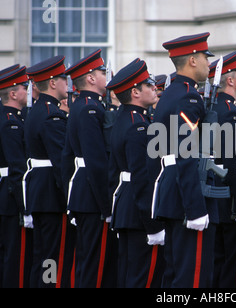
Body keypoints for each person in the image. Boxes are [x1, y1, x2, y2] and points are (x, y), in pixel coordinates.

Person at [150, 32, 217, 288]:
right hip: (186, 194)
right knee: (193, 278)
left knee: (176, 274)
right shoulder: (188, 97)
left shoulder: (171, 93)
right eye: (204, 57)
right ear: (192, 60)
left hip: (171, 190)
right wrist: (196, 208)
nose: (207, 64)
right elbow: (186, 154)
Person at [107, 59, 165, 288]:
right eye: (149, 84)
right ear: (135, 92)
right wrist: (154, 225)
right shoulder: (138, 126)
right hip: (140, 213)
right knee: (144, 278)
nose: (154, 88)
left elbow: (113, 172)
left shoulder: (126, 119)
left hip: (126, 209)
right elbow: (143, 179)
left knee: (129, 275)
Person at [62, 49, 117, 288]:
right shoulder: (89, 108)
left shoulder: (86, 105)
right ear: (92, 78)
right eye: (103, 72)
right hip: (93, 198)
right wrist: (108, 206)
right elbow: (96, 162)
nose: (107, 76)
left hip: (85, 193)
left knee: (91, 261)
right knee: (96, 263)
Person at [24, 55, 75, 288]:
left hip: (39, 191)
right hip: (51, 196)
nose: (68, 84)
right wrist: (70, 198)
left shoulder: (39, 110)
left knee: (43, 254)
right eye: (64, 79)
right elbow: (61, 163)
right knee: (53, 256)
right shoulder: (51, 114)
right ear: (53, 83)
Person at [207, 50, 236, 288]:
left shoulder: (214, 108)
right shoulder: (231, 113)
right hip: (229, 197)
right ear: (230, 80)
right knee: (233, 263)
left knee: (216, 260)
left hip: (215, 195)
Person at [0, 66, 33, 288]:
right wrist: (25, 208)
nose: (28, 91)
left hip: (6, 195)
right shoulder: (11, 122)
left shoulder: (10, 118)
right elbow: (17, 169)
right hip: (11, 197)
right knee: (15, 257)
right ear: (13, 94)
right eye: (24, 88)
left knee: (7, 254)